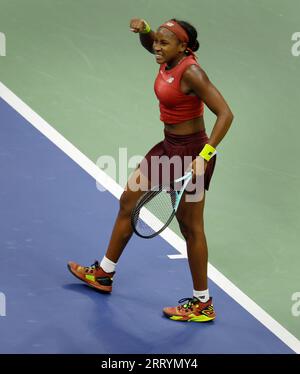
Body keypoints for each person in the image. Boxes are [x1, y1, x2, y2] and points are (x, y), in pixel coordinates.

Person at [68, 18, 233, 322]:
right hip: (168, 146)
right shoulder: (165, 58)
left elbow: (225, 114)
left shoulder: (192, 73)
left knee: (190, 227)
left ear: (183, 47)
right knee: (129, 202)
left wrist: (204, 156)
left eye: (163, 42)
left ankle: (202, 303)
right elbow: (152, 44)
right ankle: (104, 273)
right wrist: (145, 32)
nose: (156, 47)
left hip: (191, 153)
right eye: (156, 41)